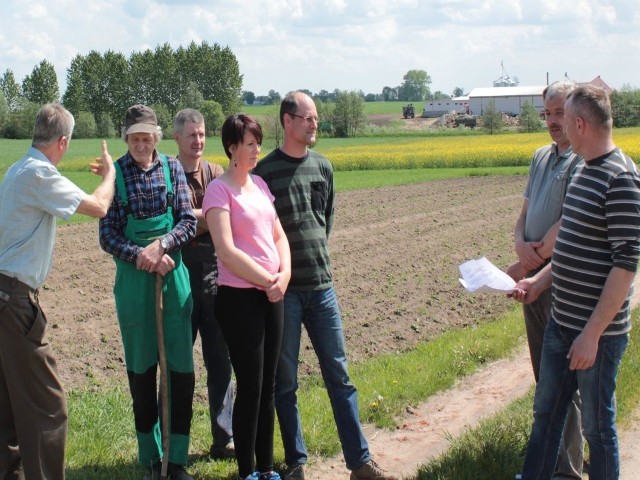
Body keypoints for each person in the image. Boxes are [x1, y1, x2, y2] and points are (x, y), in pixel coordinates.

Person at [253, 91, 397, 480]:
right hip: (283, 293)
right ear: (288, 121)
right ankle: (296, 463)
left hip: (322, 288)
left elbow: (325, 220)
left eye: (315, 118)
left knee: (340, 376)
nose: (315, 124)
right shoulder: (264, 173)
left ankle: (359, 462)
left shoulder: (324, 167)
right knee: (285, 383)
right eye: (308, 118)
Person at [512, 85, 640, 480]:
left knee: (597, 429)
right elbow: (567, 249)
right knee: (546, 414)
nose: (558, 125)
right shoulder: (584, 168)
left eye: (564, 118)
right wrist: (536, 281)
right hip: (561, 324)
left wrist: (592, 335)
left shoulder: (621, 179)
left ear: (580, 124)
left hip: (594, 337)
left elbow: (626, 266)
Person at [0, 103, 115, 480]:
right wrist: (110, 173)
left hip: (4, 297)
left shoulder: (18, 169)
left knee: (8, 406)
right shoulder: (39, 173)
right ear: (63, 141)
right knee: (49, 408)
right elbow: (99, 206)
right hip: (13, 302)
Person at [99, 104, 197, 480]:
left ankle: (176, 459)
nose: (141, 144)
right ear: (127, 139)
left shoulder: (172, 168)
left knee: (179, 371)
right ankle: (151, 458)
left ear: (156, 138)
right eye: (135, 138)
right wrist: (142, 255)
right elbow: (107, 235)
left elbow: (189, 221)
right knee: (142, 371)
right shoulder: (117, 174)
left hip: (174, 280)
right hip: (134, 284)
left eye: (147, 137)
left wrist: (163, 247)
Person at [203, 113, 290, 480]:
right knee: (250, 385)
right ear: (232, 148)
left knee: (268, 384)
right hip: (239, 299)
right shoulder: (218, 191)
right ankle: (246, 471)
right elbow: (226, 251)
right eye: (250, 143)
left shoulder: (259, 186)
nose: (257, 149)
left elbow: (278, 236)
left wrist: (284, 276)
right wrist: (268, 279)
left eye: (258, 142)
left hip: (272, 296)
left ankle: (267, 469)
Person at [506, 81, 585, 479]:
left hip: (562, 283)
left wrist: (529, 260)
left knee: (563, 382)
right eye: (547, 114)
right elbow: (524, 213)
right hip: (533, 282)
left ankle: (567, 469)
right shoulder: (541, 156)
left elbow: (567, 225)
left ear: (575, 115)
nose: (553, 121)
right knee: (543, 376)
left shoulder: (582, 162)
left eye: (559, 113)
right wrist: (520, 247)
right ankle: (556, 459)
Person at [174, 108, 236, 460]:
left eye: (201, 135)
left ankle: (223, 439)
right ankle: (175, 443)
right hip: (179, 277)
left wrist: (192, 220)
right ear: (177, 139)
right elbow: (173, 223)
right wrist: (209, 218)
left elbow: (227, 218)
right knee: (179, 364)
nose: (198, 141)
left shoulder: (215, 173)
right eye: (191, 135)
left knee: (220, 362)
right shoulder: (166, 175)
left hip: (215, 277)